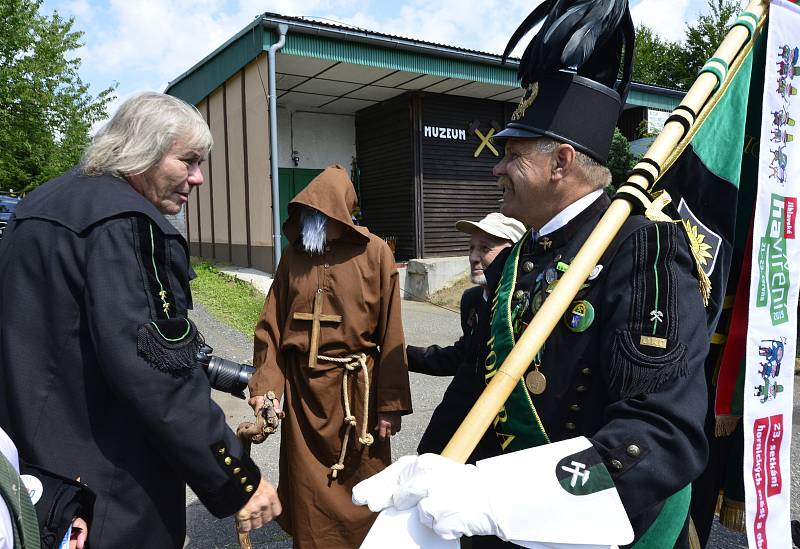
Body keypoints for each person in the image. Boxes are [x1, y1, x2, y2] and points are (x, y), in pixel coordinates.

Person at [353, 2, 711, 547]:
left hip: (576, 528)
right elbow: (475, 385)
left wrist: (502, 500)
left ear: (560, 163)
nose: (495, 167)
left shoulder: (642, 249)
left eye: (512, 154)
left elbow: (659, 435)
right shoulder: (519, 257)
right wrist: (428, 476)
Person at [0, 92, 281, 548]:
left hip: (32, 480)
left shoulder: (41, 203)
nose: (199, 177)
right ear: (142, 151)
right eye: (188, 161)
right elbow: (159, 378)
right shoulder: (129, 223)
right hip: (106, 492)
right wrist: (238, 479)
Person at [249, 164, 413, 548]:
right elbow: (270, 326)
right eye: (309, 212)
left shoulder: (376, 254)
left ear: (341, 213)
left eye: (322, 214)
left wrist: (390, 404)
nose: (313, 221)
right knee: (308, 493)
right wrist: (266, 386)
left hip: (360, 393)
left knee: (364, 483)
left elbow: (392, 332)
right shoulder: (293, 257)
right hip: (305, 395)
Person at [408, 213, 525, 462]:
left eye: (485, 248)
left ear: (513, 255)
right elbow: (464, 355)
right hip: (452, 422)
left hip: (499, 435)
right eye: (471, 247)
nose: (473, 257)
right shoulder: (471, 299)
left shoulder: (522, 305)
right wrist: (401, 355)